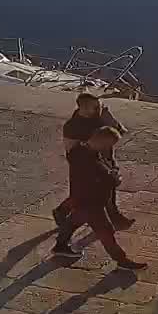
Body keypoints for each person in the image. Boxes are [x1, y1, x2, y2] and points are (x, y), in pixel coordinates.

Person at [50, 127, 146, 269]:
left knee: (74, 221)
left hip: (84, 199)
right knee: (105, 231)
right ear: (101, 141)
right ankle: (122, 261)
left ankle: (60, 246)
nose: (110, 147)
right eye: (109, 144)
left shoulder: (82, 152)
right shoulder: (88, 158)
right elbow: (101, 177)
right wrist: (113, 179)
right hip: (91, 201)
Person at [54, 93, 134, 229]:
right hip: (85, 163)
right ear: (83, 107)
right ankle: (62, 212)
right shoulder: (73, 125)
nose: (99, 108)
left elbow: (118, 131)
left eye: (99, 105)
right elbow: (71, 149)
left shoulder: (100, 116)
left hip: (106, 157)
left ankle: (114, 217)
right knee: (81, 194)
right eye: (95, 107)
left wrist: (110, 120)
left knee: (109, 186)